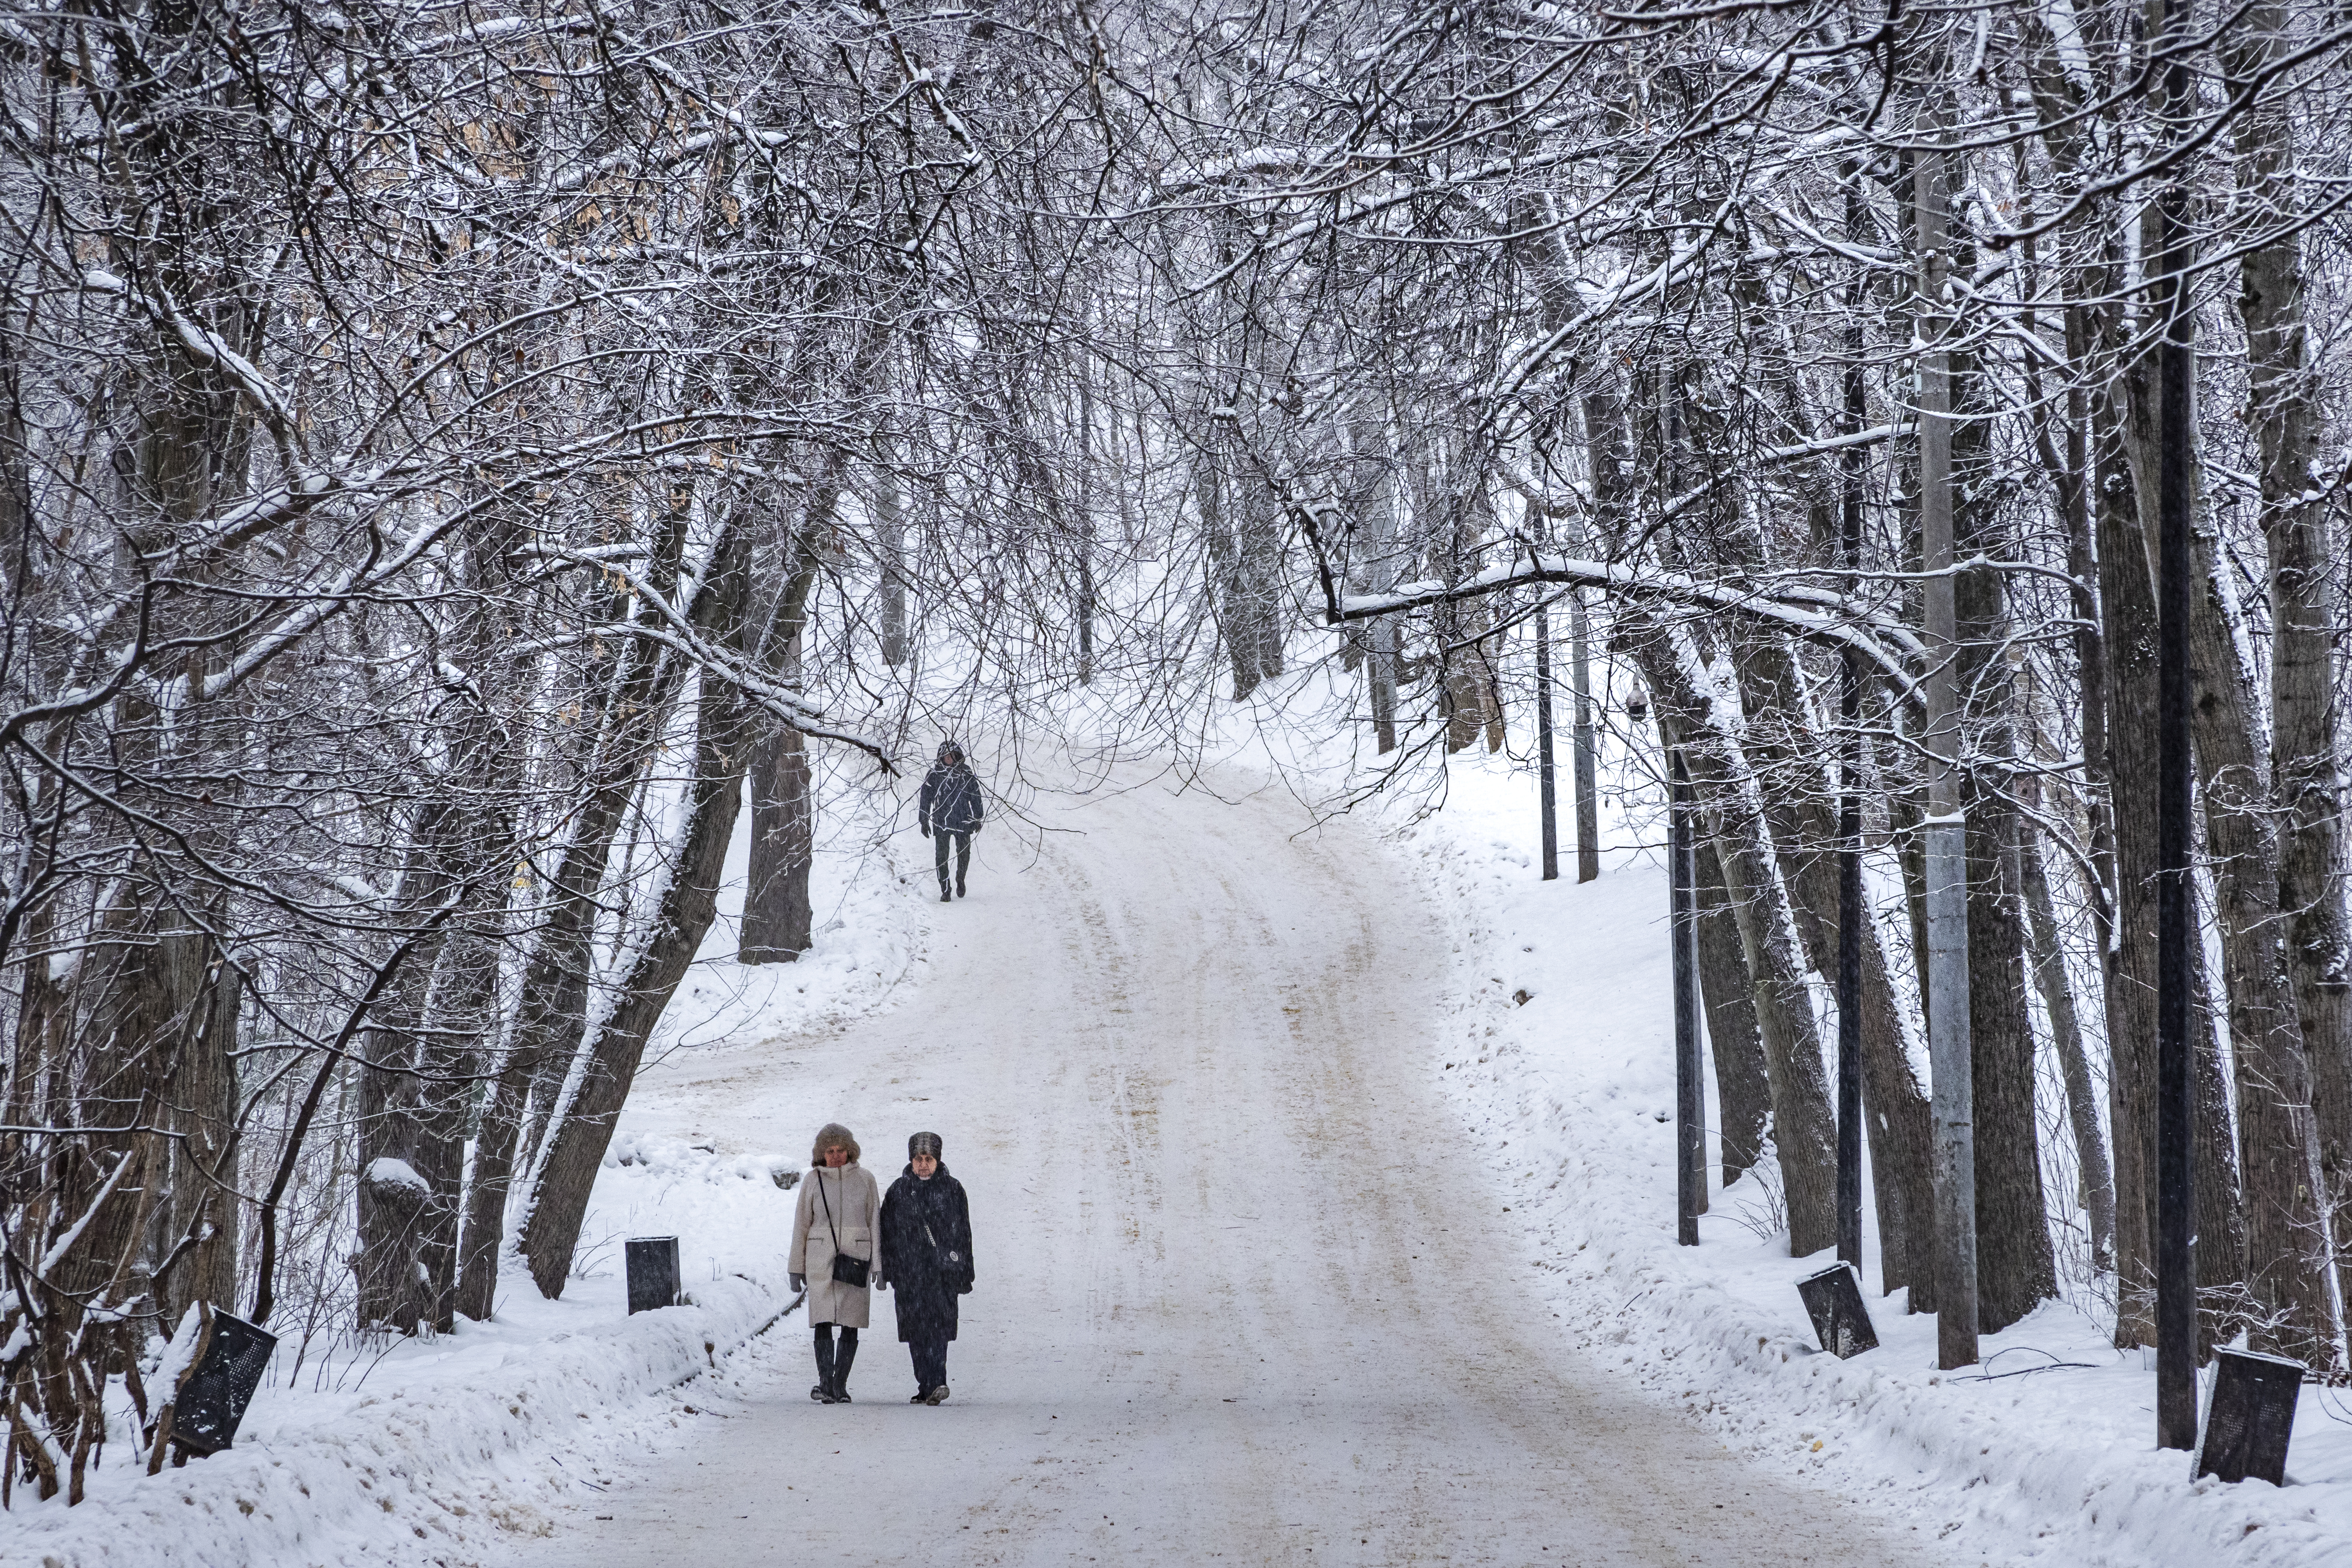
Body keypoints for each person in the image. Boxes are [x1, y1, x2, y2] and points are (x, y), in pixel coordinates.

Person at [877, 1131, 974, 1405]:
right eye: (918, 1158)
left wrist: (965, 1272)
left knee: (939, 1330)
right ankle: (925, 1384)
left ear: (937, 1160)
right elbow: (887, 1232)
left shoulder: (953, 1189)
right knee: (915, 1332)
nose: (923, 1164)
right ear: (911, 1159)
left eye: (928, 1158)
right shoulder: (898, 1190)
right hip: (908, 1274)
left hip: (942, 1274)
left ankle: (938, 1380)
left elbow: (964, 1233)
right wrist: (887, 1270)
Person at [789, 1122, 879, 1404]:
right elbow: (801, 1225)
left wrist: (878, 1265)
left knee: (851, 1323)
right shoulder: (812, 1181)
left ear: (850, 1151)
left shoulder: (866, 1180)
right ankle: (825, 1384)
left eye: (841, 1150)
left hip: (856, 1259)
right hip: (821, 1260)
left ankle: (840, 1385)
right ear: (821, 1153)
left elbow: (874, 1221)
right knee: (823, 1321)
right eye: (830, 1150)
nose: (837, 1156)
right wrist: (796, 1267)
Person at [918, 741, 984, 903]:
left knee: (964, 856)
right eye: (946, 756)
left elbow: (975, 796)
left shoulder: (966, 773)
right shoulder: (934, 774)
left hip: (964, 820)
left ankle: (960, 879)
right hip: (942, 821)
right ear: (941, 757)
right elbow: (926, 798)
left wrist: (977, 818)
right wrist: (924, 821)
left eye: (952, 756)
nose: (949, 759)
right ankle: (945, 889)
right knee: (941, 857)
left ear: (957, 756)